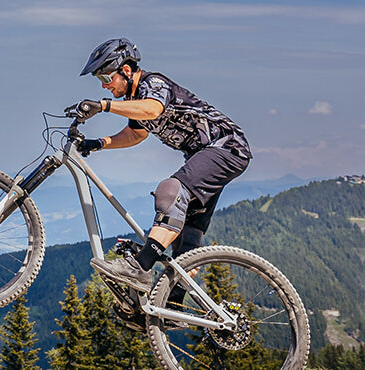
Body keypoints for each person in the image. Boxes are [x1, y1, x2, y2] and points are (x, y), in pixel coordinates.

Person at [72, 38, 252, 293]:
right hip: (205, 155)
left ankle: (140, 267)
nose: (105, 85)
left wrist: (103, 106)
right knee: (185, 242)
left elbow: (153, 109)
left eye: (106, 77)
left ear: (126, 70)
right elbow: (136, 134)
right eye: (100, 81)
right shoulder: (135, 99)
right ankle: (171, 304)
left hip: (226, 147)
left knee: (171, 191)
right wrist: (99, 143)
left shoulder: (152, 84)